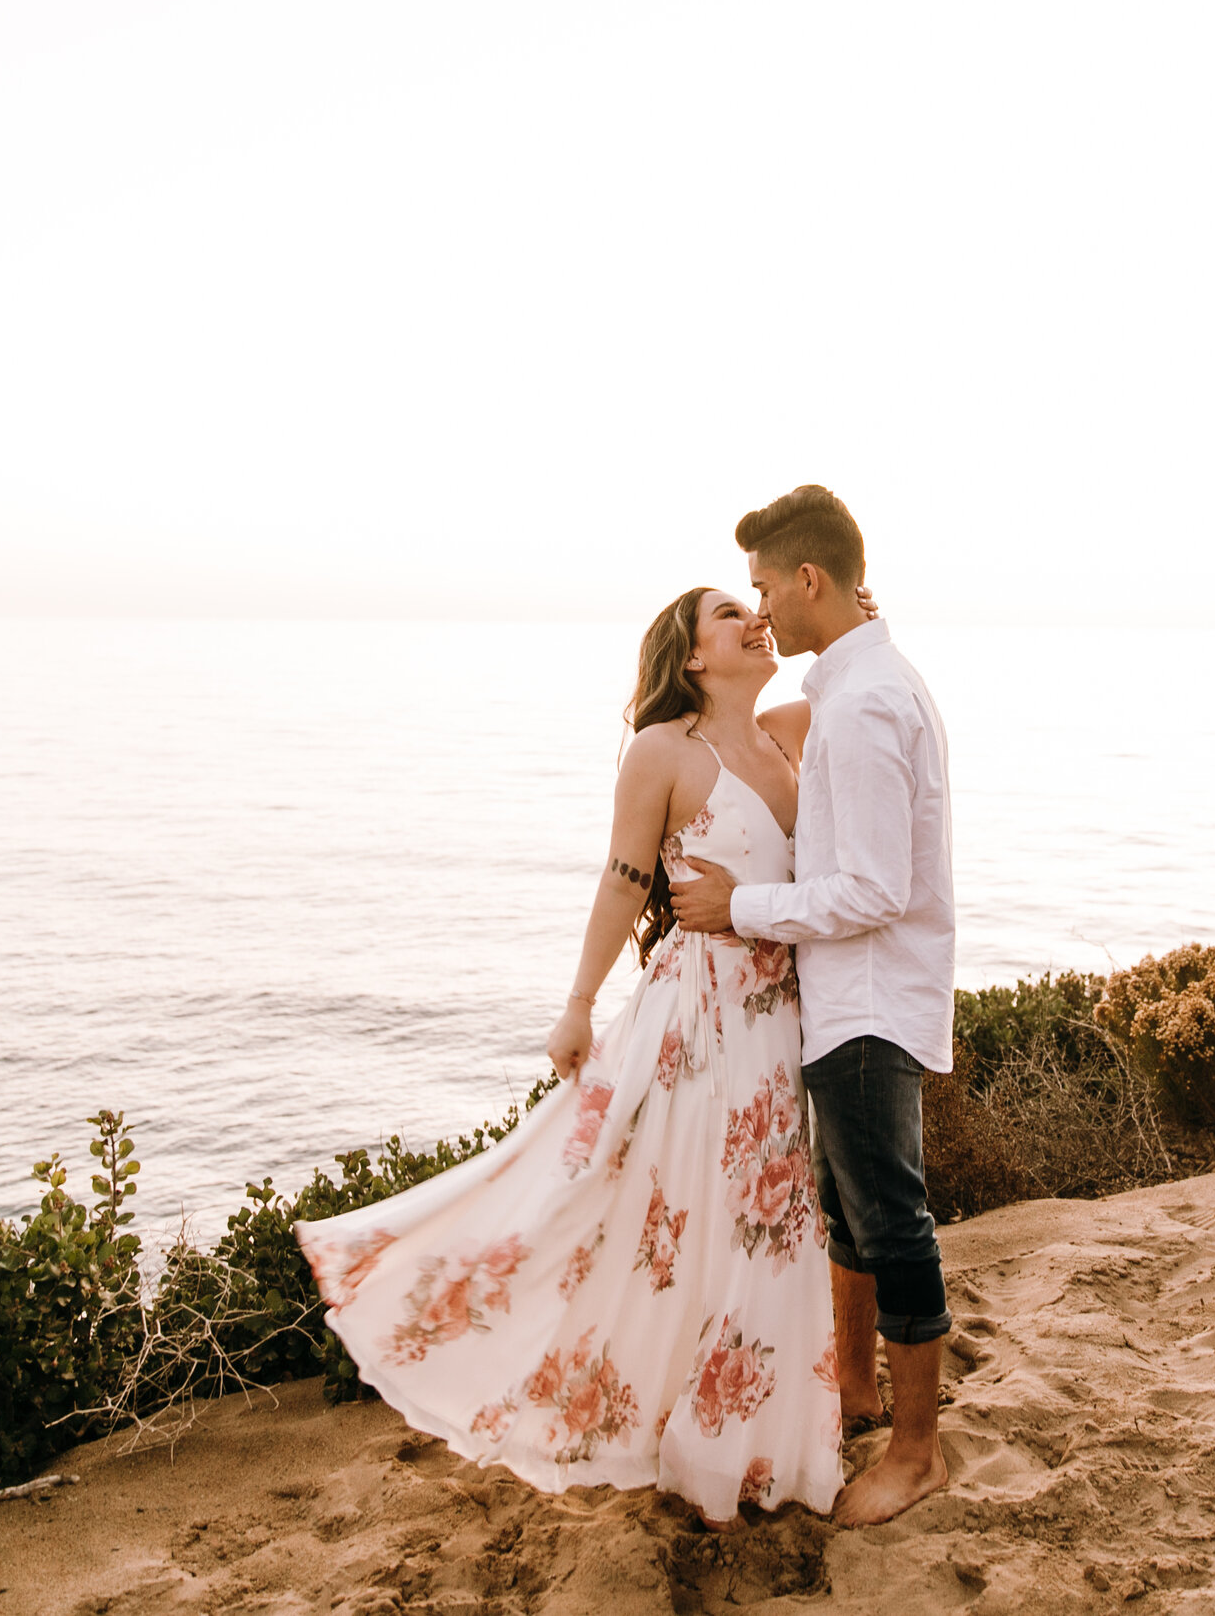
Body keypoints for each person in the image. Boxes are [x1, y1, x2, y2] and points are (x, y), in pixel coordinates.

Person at [295, 583, 871, 1527]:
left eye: (753, 605)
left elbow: (854, 676)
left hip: (778, 1017)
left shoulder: (788, 730)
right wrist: (576, 1006)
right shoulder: (664, 751)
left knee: (763, 1221)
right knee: (665, 1203)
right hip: (701, 1013)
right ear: (691, 654)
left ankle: (746, 1436)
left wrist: (853, 610)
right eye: (731, 613)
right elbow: (624, 878)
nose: (753, 619)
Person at [669, 484, 956, 1528]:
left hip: (871, 1001)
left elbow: (875, 888)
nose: (760, 613)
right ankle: (860, 1393)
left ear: (807, 578)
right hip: (840, 998)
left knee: (890, 1216)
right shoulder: (849, 684)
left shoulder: (869, 703)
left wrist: (737, 905)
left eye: (762, 588)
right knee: (848, 1209)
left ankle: (918, 1454)